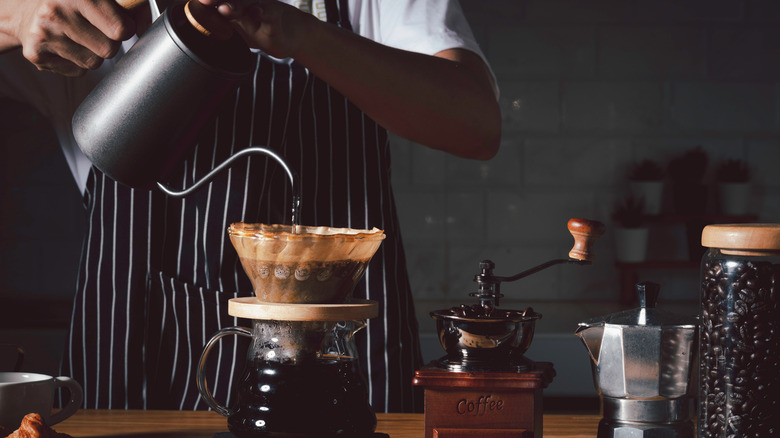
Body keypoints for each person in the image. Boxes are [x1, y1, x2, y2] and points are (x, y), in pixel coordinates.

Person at [0, 0, 500, 412]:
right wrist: (15, 16)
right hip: (140, 367)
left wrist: (301, 35)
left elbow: (476, 124)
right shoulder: (85, 17)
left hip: (339, 357)